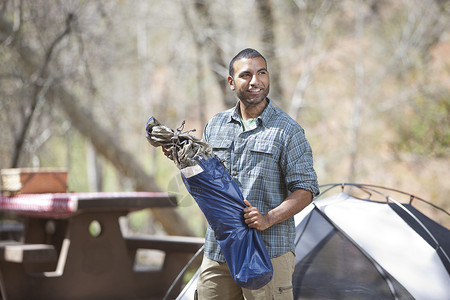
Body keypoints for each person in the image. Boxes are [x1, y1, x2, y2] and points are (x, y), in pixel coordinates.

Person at [196, 48, 319, 300]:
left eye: (261, 73)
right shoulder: (215, 126)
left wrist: (267, 218)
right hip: (218, 252)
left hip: (268, 252)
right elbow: (203, 179)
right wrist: (177, 154)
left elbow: (306, 189)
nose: (255, 81)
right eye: (246, 74)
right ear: (231, 82)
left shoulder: (287, 131)